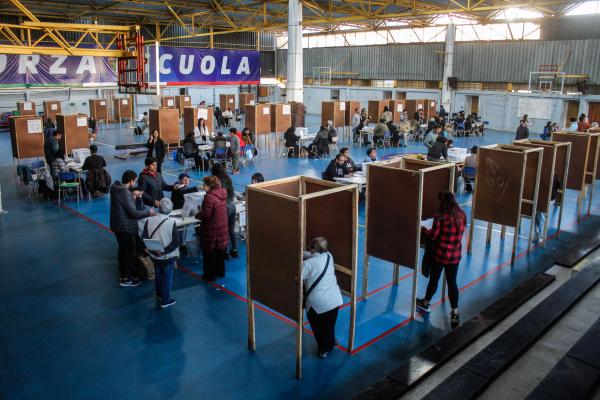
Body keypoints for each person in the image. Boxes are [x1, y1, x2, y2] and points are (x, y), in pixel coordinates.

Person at [416, 191, 466, 325]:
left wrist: (423, 230)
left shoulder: (440, 218)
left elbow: (433, 236)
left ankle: (425, 303)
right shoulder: (462, 215)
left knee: (434, 279)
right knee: (452, 282)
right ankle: (455, 312)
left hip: (440, 255)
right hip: (455, 256)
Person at [110, 170, 153, 287]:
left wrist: (133, 198)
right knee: (128, 252)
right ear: (131, 180)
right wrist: (149, 212)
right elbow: (134, 213)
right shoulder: (124, 192)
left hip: (117, 225)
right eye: (135, 181)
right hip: (124, 227)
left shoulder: (116, 188)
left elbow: (125, 205)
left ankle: (123, 273)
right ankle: (126, 278)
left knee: (123, 250)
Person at [303, 236, 343, 358]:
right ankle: (332, 341)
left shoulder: (308, 264)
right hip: (334, 299)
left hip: (318, 303)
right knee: (329, 324)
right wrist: (300, 252)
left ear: (314, 249)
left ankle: (323, 350)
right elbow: (311, 256)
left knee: (317, 327)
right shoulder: (329, 256)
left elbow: (297, 276)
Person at [142, 198, 179, 308]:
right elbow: (176, 242)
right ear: (170, 210)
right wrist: (164, 252)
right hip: (168, 256)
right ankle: (165, 300)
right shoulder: (172, 222)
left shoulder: (149, 220)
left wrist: (154, 250)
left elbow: (144, 237)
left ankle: (159, 294)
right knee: (167, 277)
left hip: (154, 255)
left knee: (158, 274)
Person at [195, 175, 229, 281]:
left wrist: (198, 214)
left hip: (212, 229)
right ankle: (220, 272)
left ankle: (210, 275)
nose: (203, 186)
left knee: (209, 254)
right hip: (221, 227)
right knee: (219, 252)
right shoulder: (222, 194)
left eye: (204, 184)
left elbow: (206, 215)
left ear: (209, 185)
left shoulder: (209, 197)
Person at [211, 163, 238, 258]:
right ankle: (234, 250)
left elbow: (218, 195)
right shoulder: (228, 178)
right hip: (232, 205)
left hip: (224, 207)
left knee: (224, 231)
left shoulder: (217, 181)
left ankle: (226, 252)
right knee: (231, 230)